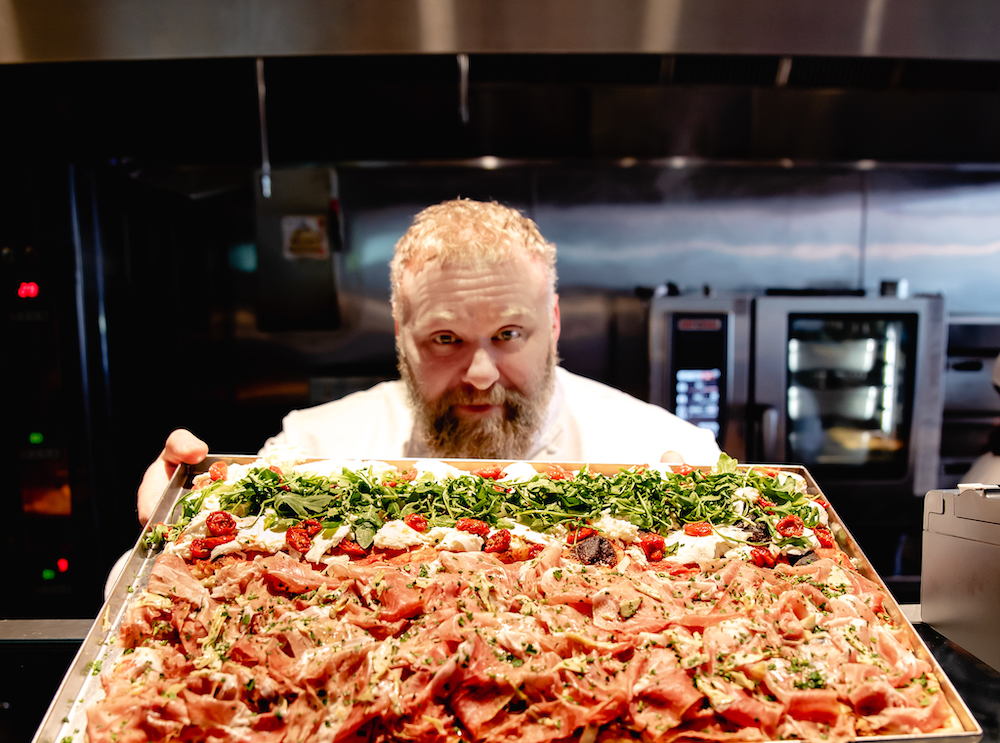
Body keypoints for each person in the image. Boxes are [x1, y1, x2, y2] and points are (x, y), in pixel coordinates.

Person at [137, 199, 721, 525]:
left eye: (509, 334)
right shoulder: (312, 449)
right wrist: (167, 528)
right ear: (400, 335)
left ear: (556, 324)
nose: (481, 373)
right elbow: (158, 598)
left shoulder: (666, 459)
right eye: (446, 339)